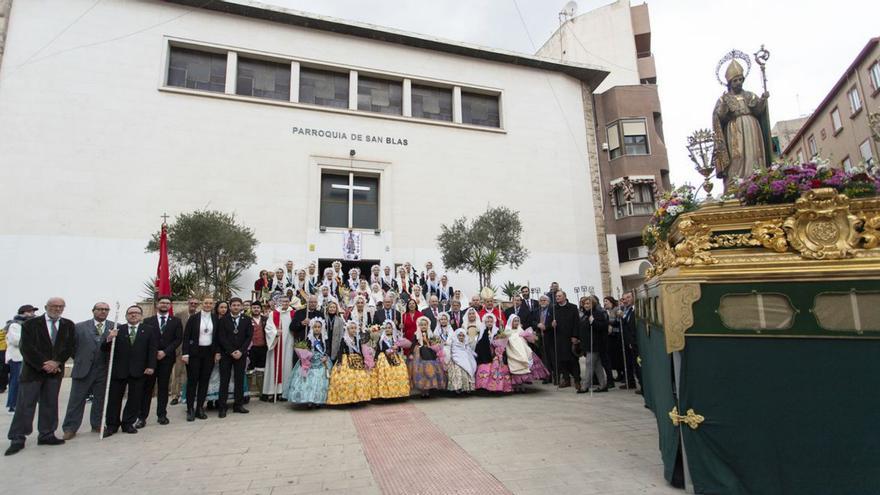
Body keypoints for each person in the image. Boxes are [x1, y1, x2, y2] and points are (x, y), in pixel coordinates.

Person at [6, 298, 75, 456]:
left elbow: (69, 346)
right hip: (33, 371)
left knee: (50, 404)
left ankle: (46, 434)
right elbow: (27, 347)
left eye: (60, 307)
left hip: (55, 372)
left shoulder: (68, 325)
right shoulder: (31, 324)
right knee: (25, 405)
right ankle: (17, 437)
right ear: (46, 307)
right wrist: (44, 364)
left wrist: (56, 362)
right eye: (54, 306)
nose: (57, 309)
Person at [712, 58, 771, 191]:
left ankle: (756, 180)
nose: (738, 83)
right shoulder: (723, 99)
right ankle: (735, 183)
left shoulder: (750, 95)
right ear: (729, 83)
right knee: (737, 156)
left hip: (752, 126)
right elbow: (718, 117)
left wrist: (763, 100)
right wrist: (723, 108)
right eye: (735, 80)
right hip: (734, 129)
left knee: (754, 153)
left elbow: (758, 110)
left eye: (740, 79)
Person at [101, 305, 158, 438]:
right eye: (130, 313)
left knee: (134, 398)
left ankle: (127, 423)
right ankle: (112, 425)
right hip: (118, 370)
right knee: (114, 399)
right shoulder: (118, 329)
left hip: (139, 370)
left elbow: (152, 349)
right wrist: (109, 338)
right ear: (126, 316)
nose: (133, 315)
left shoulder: (148, 330)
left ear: (141, 316)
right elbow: (104, 349)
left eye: (136, 313)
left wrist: (151, 366)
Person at [61, 302, 115, 439]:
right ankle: (70, 428)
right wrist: (81, 359)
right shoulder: (79, 327)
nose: (103, 312)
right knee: (76, 399)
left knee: (100, 399)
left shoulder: (114, 327)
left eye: (106, 310)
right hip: (83, 368)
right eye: (100, 309)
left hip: (103, 369)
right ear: (93, 311)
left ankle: (97, 424)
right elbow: (72, 347)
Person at [138, 296, 183, 427]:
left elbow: (178, 339)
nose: (164, 305)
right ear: (157, 304)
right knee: (148, 388)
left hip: (167, 358)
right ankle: (142, 417)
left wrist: (165, 352)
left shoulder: (176, 321)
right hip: (150, 360)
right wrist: (154, 352)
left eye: (167, 303)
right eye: (162, 302)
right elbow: (145, 339)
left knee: (163, 388)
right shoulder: (147, 321)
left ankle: (162, 415)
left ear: (170, 306)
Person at [182, 297, 220, 422]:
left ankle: (199, 408)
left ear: (213, 305)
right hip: (194, 353)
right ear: (201, 304)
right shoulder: (194, 318)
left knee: (204, 381)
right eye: (206, 303)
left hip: (209, 353)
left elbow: (217, 337)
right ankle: (190, 409)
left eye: (210, 303)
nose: (208, 305)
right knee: (192, 381)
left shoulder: (215, 318)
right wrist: (185, 353)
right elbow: (186, 336)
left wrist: (217, 353)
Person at [216, 298, 252, 417]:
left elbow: (248, 337)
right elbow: (221, 337)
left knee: (239, 380)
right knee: (224, 380)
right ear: (230, 307)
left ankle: (238, 405)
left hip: (241, 355)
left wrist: (241, 351)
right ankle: (222, 407)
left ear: (241, 307)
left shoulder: (246, 320)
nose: (236, 307)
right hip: (227, 354)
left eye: (238, 305)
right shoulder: (223, 320)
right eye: (234, 305)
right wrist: (231, 351)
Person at [287, 318, 332, 406]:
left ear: (321, 328)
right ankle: (309, 400)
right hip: (310, 362)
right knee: (309, 381)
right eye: (315, 327)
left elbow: (328, 349)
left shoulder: (325, 339)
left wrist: (326, 356)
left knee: (320, 382)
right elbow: (305, 350)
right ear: (312, 328)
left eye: (319, 327)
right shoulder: (308, 339)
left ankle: (319, 400)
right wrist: (305, 357)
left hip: (322, 363)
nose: (317, 329)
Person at [326, 321, 373, 405]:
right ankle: (348, 399)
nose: (353, 330)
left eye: (355, 328)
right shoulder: (344, 339)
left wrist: (364, 361)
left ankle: (359, 398)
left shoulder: (357, 339)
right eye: (351, 328)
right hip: (347, 360)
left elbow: (360, 352)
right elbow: (340, 351)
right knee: (348, 379)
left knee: (361, 378)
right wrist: (339, 363)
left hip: (357, 361)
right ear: (347, 329)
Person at [263, 296, 295, 401]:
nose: (285, 303)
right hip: (277, 343)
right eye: (283, 301)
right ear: (279, 302)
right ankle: (273, 392)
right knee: (274, 367)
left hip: (289, 345)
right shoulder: (274, 314)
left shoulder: (293, 313)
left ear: (289, 302)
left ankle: (284, 392)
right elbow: (268, 327)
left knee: (287, 367)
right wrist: (275, 332)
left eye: (287, 301)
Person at [4, 305, 34, 415]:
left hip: (28, 357)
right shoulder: (14, 325)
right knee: (16, 381)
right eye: (29, 312)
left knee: (28, 383)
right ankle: (12, 405)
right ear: (23, 312)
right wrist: (31, 339)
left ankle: (23, 404)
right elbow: (15, 340)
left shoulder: (32, 325)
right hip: (17, 357)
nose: (31, 314)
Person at [170, 297, 200, 405]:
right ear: (188, 303)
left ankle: (187, 394)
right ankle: (175, 395)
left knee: (190, 374)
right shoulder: (179, 315)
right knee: (177, 373)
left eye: (195, 303)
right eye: (191, 303)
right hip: (180, 348)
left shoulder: (199, 316)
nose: (193, 304)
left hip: (195, 349)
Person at [577, 296, 609, 394]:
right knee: (597, 365)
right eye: (585, 304)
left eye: (588, 304)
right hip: (587, 343)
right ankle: (603, 385)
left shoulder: (597, 314)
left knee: (589, 364)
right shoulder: (585, 315)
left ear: (593, 304)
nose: (586, 305)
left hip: (595, 344)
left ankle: (585, 386)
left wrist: (593, 321)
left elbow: (602, 326)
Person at [552, 291, 582, 392]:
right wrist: (553, 325)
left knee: (573, 360)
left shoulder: (573, 307)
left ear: (565, 297)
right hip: (559, 338)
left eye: (559, 296)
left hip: (570, 337)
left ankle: (577, 380)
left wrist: (575, 336)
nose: (557, 298)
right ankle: (566, 379)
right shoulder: (554, 308)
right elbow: (550, 322)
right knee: (562, 360)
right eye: (556, 296)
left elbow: (576, 323)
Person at [474, 313, 512, 393]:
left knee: (497, 366)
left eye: (491, 322)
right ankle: (484, 387)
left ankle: (498, 387)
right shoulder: (481, 332)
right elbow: (479, 346)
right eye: (487, 322)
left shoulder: (498, 331)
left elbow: (502, 344)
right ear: (484, 322)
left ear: (494, 322)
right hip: (485, 357)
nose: (489, 323)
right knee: (484, 368)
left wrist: (498, 353)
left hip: (497, 355)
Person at [372, 321, 410, 399]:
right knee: (386, 371)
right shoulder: (382, 338)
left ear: (392, 329)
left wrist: (397, 348)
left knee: (401, 369)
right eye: (386, 328)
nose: (387, 330)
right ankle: (387, 393)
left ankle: (397, 392)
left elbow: (399, 348)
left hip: (395, 356)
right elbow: (378, 350)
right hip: (384, 357)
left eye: (389, 328)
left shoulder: (395, 338)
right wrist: (375, 359)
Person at [410, 316, 445, 398]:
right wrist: (413, 351)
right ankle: (423, 390)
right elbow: (413, 345)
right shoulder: (416, 335)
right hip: (420, 355)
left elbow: (433, 343)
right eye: (421, 325)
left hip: (429, 354)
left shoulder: (431, 334)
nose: (423, 326)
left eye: (425, 325)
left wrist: (433, 345)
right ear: (419, 326)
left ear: (427, 325)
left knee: (430, 370)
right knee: (422, 372)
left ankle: (428, 389)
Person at [620, 291, 642, 394]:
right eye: (624, 298)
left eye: (628, 297)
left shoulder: (636, 310)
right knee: (633, 364)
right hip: (629, 342)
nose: (626, 300)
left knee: (638, 365)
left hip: (636, 342)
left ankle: (643, 386)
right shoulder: (626, 310)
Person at [505, 314, 534, 392]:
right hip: (512, 351)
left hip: (522, 350)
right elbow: (506, 340)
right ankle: (515, 385)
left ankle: (522, 384)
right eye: (515, 321)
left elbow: (524, 338)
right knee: (515, 366)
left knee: (523, 366)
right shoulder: (507, 330)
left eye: (517, 321)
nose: (516, 323)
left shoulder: (520, 330)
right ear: (511, 322)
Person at [446, 328, 476, 394]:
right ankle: (458, 388)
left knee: (469, 368)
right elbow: (452, 353)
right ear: (456, 336)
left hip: (466, 360)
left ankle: (467, 388)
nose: (461, 337)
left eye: (463, 336)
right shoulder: (453, 343)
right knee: (457, 369)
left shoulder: (466, 344)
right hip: (455, 360)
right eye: (460, 335)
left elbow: (469, 353)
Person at [535, 295, 554, 384]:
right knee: (544, 358)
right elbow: (532, 321)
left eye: (544, 300)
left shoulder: (552, 310)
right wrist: (537, 324)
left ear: (548, 301)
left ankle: (556, 377)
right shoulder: (536, 311)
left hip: (550, 336)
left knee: (552, 357)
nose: (542, 302)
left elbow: (554, 323)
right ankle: (547, 376)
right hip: (540, 337)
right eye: (541, 300)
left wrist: (546, 326)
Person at [248, 301, 268, 371]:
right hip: (251, 348)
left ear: (261, 309)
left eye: (258, 308)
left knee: (262, 368)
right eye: (254, 308)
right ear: (251, 309)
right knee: (251, 368)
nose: (256, 309)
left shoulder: (266, 319)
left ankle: (261, 382)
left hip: (263, 347)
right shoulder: (247, 319)